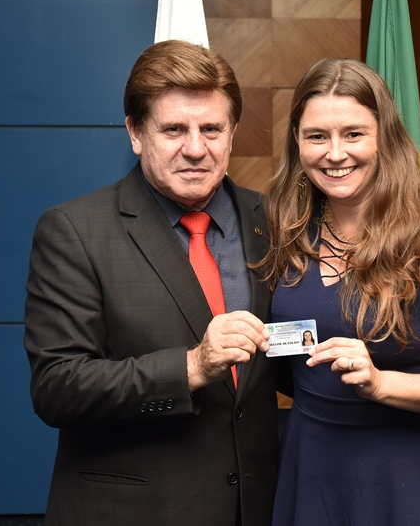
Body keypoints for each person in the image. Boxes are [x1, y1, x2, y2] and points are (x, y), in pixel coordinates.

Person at [23, 39, 280, 526]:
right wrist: (192, 366)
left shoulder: (272, 220)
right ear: (136, 133)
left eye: (211, 129)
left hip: (257, 509)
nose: (196, 149)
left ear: (232, 133)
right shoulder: (75, 231)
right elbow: (57, 387)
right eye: (174, 129)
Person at [257, 58, 420, 525]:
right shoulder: (286, 229)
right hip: (311, 465)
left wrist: (381, 383)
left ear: (384, 136)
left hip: (409, 476)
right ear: (296, 140)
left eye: (353, 134)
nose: (335, 154)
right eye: (317, 136)